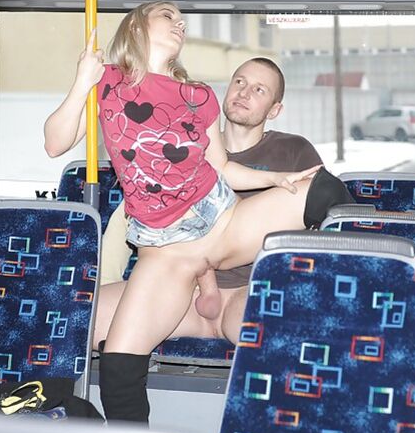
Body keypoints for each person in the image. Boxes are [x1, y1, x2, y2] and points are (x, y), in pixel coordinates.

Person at [43, 1, 352, 424]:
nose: (180, 23)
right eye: (167, 15)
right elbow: (55, 143)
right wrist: (83, 81)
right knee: (118, 366)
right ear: (137, 26)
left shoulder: (197, 95)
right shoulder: (107, 83)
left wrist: (278, 179)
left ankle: (387, 287)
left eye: (181, 19)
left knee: (320, 189)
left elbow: (220, 167)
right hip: (168, 253)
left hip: (221, 224)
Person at [93, 56, 323, 346]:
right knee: (86, 320)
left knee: (268, 339)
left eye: (259, 89)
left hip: (249, 288)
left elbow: (324, 225)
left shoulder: (293, 151)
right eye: (239, 82)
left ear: (275, 109)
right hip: (180, 291)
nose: (244, 92)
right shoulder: (183, 146)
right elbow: (131, 215)